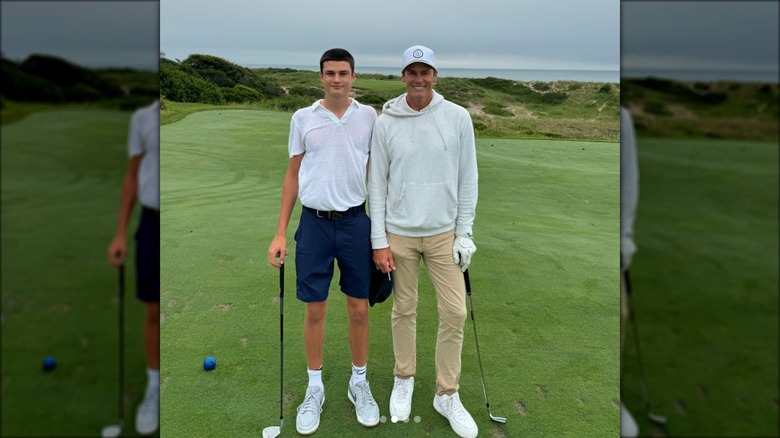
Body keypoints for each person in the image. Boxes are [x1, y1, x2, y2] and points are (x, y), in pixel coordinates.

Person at [368, 45, 479, 438]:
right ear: (403, 77)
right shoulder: (386, 121)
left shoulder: (457, 117)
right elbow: (377, 183)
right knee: (404, 309)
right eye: (411, 71)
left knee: (455, 313)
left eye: (425, 71)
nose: (418, 78)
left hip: (443, 233)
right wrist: (378, 240)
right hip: (398, 234)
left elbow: (469, 178)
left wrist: (464, 233)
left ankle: (446, 393)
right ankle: (404, 377)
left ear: (435, 75)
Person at [267, 48, 380, 435]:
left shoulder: (368, 117)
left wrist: (380, 235)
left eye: (343, 73)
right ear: (320, 77)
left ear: (353, 76)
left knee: (359, 308)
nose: (337, 79)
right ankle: (314, 388)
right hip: (313, 225)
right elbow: (292, 175)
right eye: (330, 73)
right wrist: (281, 231)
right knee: (315, 309)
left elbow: (375, 176)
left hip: (354, 223)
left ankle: (358, 382)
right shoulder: (303, 118)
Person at [107, 99, 160, 435]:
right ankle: (153, 387)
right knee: (153, 309)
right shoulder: (142, 118)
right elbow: (131, 176)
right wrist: (120, 234)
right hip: (150, 223)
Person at [620, 105, 639, 438]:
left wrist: (624, 238)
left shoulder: (621, 117)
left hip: (612, 240)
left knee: (619, 313)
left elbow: (629, 181)